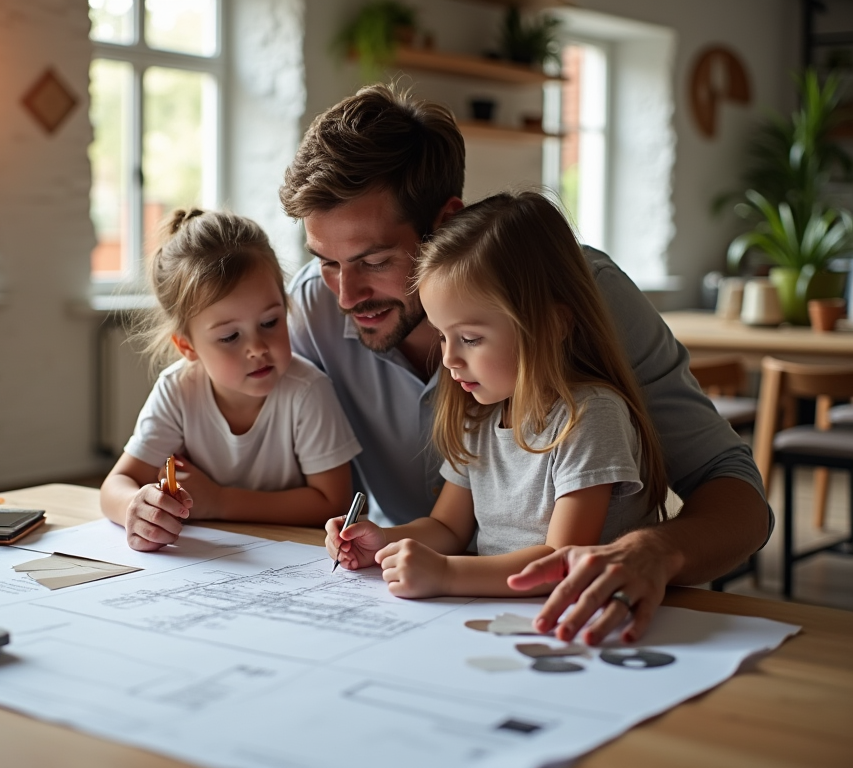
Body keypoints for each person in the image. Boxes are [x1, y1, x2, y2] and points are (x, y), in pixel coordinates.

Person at [281, 84, 770, 645]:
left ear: (445, 225)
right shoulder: (312, 309)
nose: (345, 295)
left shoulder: (578, 297)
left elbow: (735, 494)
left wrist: (653, 549)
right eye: (325, 263)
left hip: (584, 624)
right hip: (426, 616)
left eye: (374, 260)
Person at [327, 193, 668, 628]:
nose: (449, 359)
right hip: (501, 615)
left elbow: (560, 564)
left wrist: (447, 573)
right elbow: (448, 529)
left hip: (588, 623)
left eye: (469, 338)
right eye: (443, 336)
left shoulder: (591, 417)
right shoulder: (480, 416)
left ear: (551, 325)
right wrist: (382, 540)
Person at [100, 208, 361, 551]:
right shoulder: (178, 389)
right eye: (229, 337)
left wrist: (220, 501)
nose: (257, 348)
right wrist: (137, 508)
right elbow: (115, 485)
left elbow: (333, 503)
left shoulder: (306, 391)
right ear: (187, 346)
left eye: (270, 322)